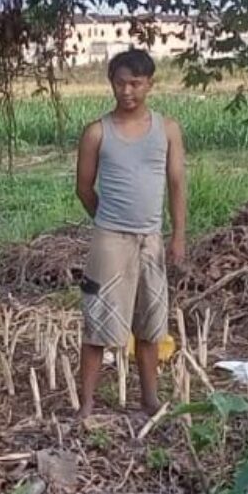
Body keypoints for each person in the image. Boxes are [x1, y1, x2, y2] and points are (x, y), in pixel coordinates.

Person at [73, 48, 188, 416]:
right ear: (111, 84)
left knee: (151, 323)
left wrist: (178, 236)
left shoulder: (167, 130)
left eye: (135, 84)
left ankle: (149, 397)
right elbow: (84, 188)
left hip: (151, 240)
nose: (127, 91)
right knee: (98, 321)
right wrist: (107, 220)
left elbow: (177, 184)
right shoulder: (96, 133)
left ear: (150, 85)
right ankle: (87, 403)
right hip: (110, 240)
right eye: (120, 83)